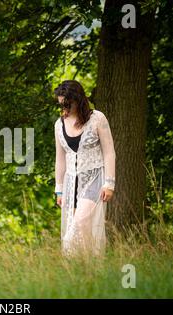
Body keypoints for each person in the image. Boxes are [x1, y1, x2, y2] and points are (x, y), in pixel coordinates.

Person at [54, 80, 116, 256]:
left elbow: (109, 152)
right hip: (70, 182)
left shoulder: (97, 118)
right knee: (83, 229)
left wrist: (109, 183)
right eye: (61, 104)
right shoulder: (59, 125)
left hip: (94, 178)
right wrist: (59, 190)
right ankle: (88, 270)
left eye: (67, 104)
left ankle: (72, 257)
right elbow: (60, 158)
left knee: (80, 223)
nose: (64, 108)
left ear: (78, 100)